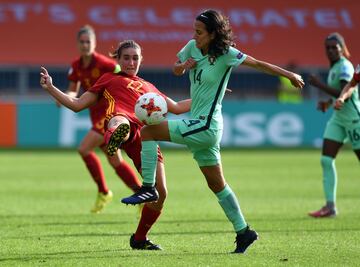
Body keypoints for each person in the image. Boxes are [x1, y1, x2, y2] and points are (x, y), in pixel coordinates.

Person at [117, 9, 304, 253]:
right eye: (194, 31)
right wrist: (183, 65)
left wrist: (289, 74)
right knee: (217, 185)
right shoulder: (191, 47)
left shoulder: (227, 54)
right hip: (198, 124)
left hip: (206, 125)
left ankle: (148, 187)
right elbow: (176, 69)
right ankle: (244, 231)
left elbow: (258, 64)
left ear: (214, 34)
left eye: (199, 32)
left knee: (149, 132)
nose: (194, 36)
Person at [40, 40, 191, 250]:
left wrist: (212, 97)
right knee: (120, 121)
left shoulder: (149, 88)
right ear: (118, 60)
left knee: (161, 192)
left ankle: (139, 239)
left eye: (135, 58)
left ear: (141, 60)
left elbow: (177, 107)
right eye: (126, 58)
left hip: (146, 136)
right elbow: (77, 105)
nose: (131, 62)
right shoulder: (108, 79)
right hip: (121, 121)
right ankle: (115, 136)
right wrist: (51, 88)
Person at [62, 25, 142, 213]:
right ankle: (140, 193)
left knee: (84, 148)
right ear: (77, 44)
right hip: (94, 115)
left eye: (88, 41)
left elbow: (123, 78)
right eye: (81, 42)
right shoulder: (76, 65)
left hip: (109, 114)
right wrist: (66, 95)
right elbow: (73, 88)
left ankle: (103, 191)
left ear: (94, 43)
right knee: (115, 161)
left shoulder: (105, 64)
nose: (85, 45)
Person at [308, 33, 360, 218]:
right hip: (338, 118)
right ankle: (330, 207)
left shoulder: (345, 66)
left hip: (354, 119)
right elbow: (338, 95)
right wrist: (327, 103)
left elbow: (344, 91)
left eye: (334, 47)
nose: (330, 50)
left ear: (342, 48)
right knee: (326, 160)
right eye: (328, 48)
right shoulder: (335, 67)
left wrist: (319, 85)